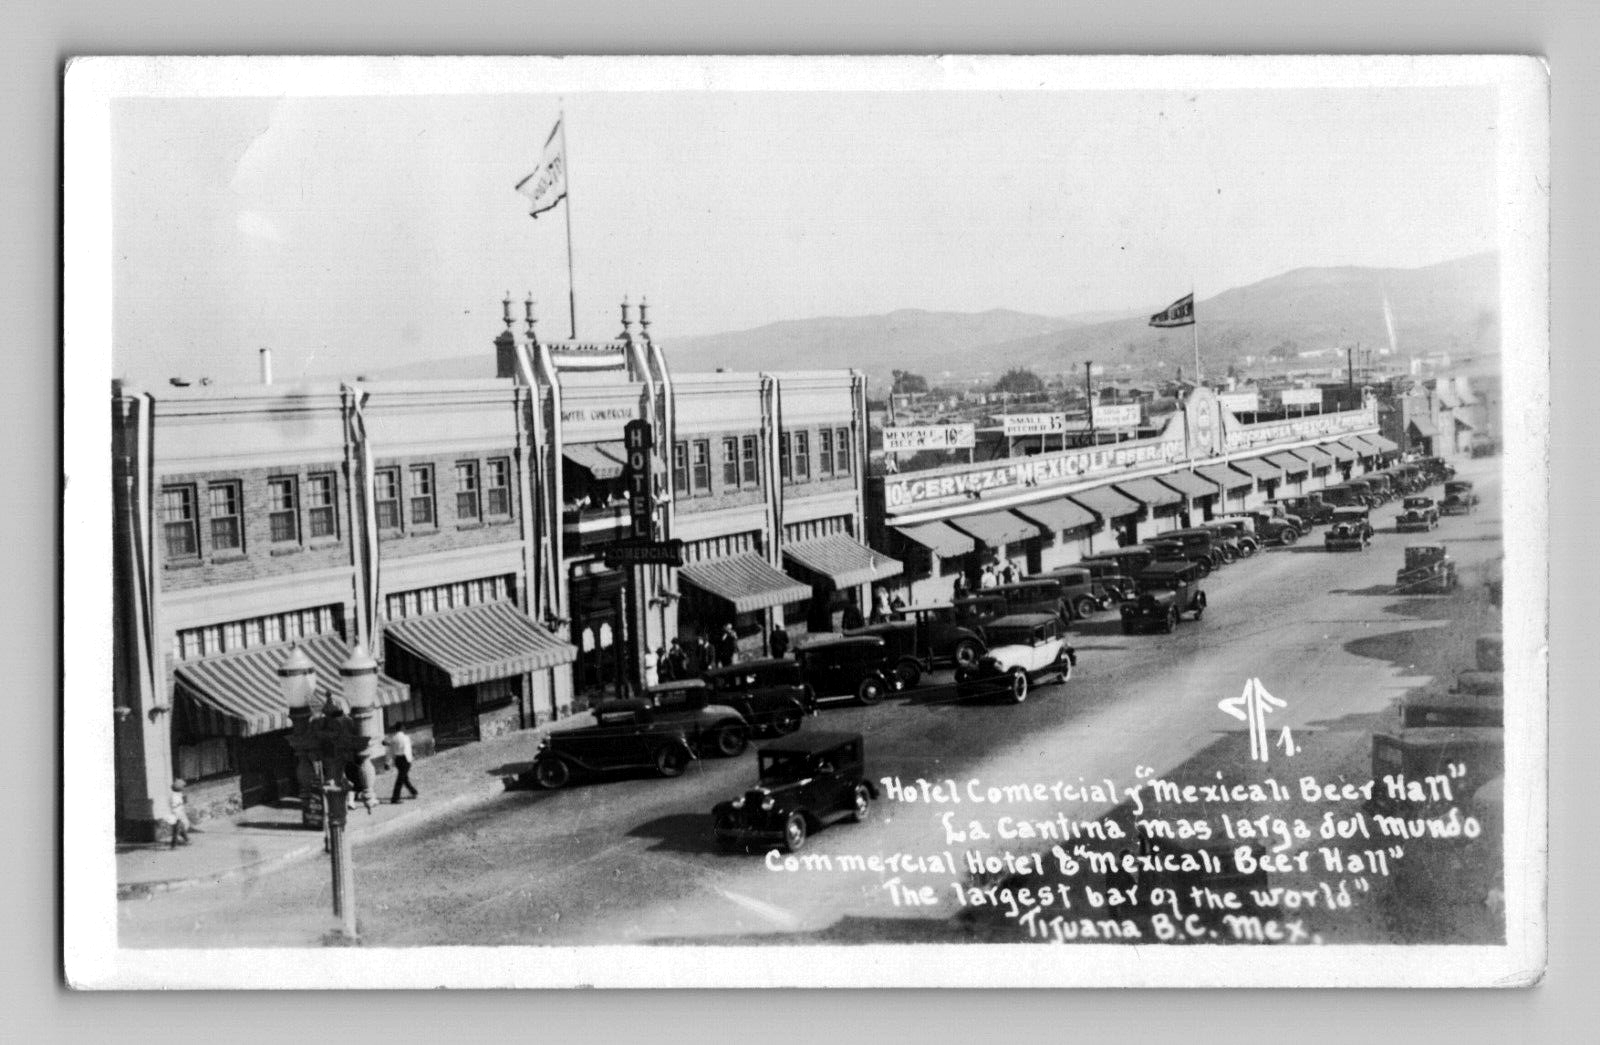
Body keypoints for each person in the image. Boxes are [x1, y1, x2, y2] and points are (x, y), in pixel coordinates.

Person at [384, 724, 418, 804]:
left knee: (403, 777)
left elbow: (390, 752)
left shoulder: (394, 738)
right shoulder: (406, 738)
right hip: (405, 759)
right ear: (402, 728)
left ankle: (413, 792)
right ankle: (395, 798)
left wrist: (387, 762)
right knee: (401, 779)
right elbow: (408, 749)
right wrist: (410, 759)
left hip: (398, 760)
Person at [168, 779, 191, 848]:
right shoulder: (174, 796)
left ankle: (186, 839)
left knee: (181, 827)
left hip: (179, 813)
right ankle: (173, 844)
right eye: (183, 787)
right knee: (177, 828)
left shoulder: (178, 795)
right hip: (176, 814)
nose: (184, 788)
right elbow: (174, 805)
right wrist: (181, 802)